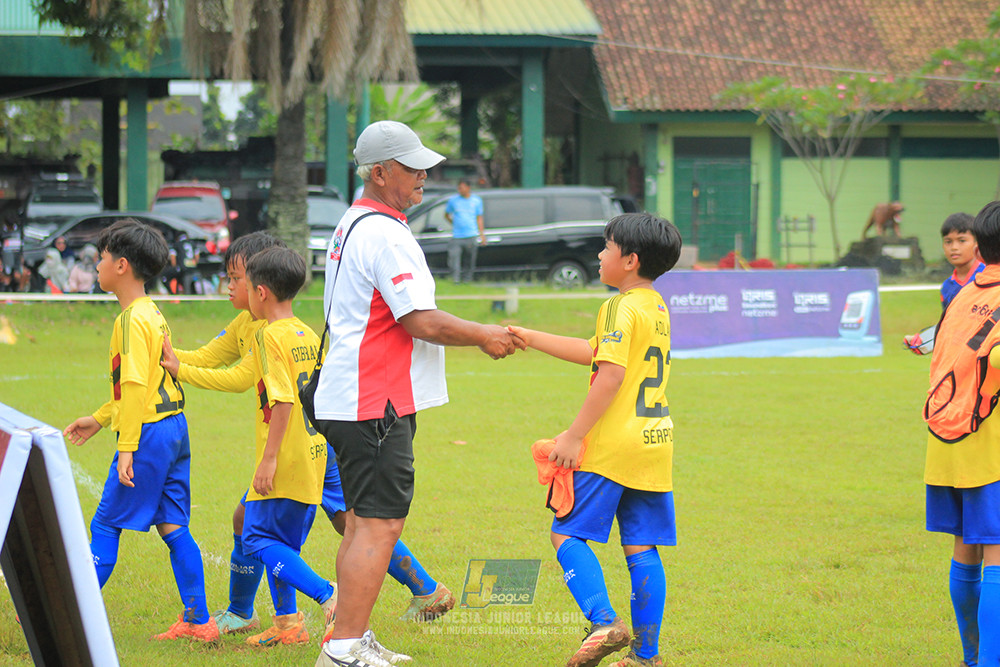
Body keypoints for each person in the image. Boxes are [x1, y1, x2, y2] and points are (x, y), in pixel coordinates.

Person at [312, 120, 518, 667]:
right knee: (379, 525)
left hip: (355, 396)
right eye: (412, 167)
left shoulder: (354, 222)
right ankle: (344, 647)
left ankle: (349, 638)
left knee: (362, 523)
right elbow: (420, 320)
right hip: (373, 399)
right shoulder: (384, 232)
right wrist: (485, 335)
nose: (424, 175)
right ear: (380, 173)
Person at [508, 212, 683, 667]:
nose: (599, 254)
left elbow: (610, 374)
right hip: (653, 443)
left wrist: (573, 435)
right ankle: (645, 657)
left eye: (606, 247)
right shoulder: (655, 307)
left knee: (565, 533)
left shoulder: (619, 306)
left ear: (630, 260)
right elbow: (593, 350)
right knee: (641, 547)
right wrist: (531, 336)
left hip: (612, 447)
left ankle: (604, 622)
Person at [161, 245, 338, 647]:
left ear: (260, 292)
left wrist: (269, 460)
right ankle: (288, 624)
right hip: (313, 451)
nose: (232, 287)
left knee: (257, 540)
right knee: (281, 544)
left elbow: (283, 401)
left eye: (238, 280)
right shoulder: (307, 333)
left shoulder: (267, 335)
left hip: (286, 457)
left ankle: (329, 595)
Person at [62, 218, 218, 643]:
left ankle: (62, 613)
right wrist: (100, 418)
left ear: (122, 265)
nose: (97, 265)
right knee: (173, 526)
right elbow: (146, 384)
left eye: (102, 258)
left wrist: (127, 446)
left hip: (148, 434)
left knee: (105, 525)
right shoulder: (153, 312)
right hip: (174, 428)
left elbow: (134, 387)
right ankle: (199, 621)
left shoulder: (131, 319)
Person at [923, 200, 1000, 667]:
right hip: (990, 447)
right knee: (997, 554)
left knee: (967, 547)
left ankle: (973, 659)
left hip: (948, 443)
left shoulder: (963, 293)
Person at [903, 212, 985, 355]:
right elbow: (951, 326)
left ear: (977, 243)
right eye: (948, 242)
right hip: (962, 358)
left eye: (962, 240)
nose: (954, 247)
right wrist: (924, 343)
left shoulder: (988, 276)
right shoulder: (947, 288)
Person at [444, 179, 485, 283]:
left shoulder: (476, 201)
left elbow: (479, 218)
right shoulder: (453, 201)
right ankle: (456, 280)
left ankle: (467, 279)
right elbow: (447, 215)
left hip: (471, 234)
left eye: (462, 188)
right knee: (454, 259)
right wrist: (454, 223)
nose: (460, 190)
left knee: (469, 259)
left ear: (468, 188)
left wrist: (481, 234)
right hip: (457, 236)